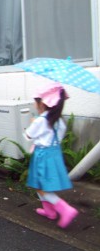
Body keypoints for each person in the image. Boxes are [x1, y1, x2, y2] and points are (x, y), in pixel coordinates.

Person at [24, 82, 78, 229]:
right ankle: (50, 212)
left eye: (36, 101)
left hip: (42, 156)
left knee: (41, 187)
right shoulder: (59, 121)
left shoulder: (41, 121)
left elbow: (28, 135)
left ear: (42, 103)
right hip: (54, 154)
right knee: (43, 184)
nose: (35, 105)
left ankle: (65, 209)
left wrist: (33, 122)